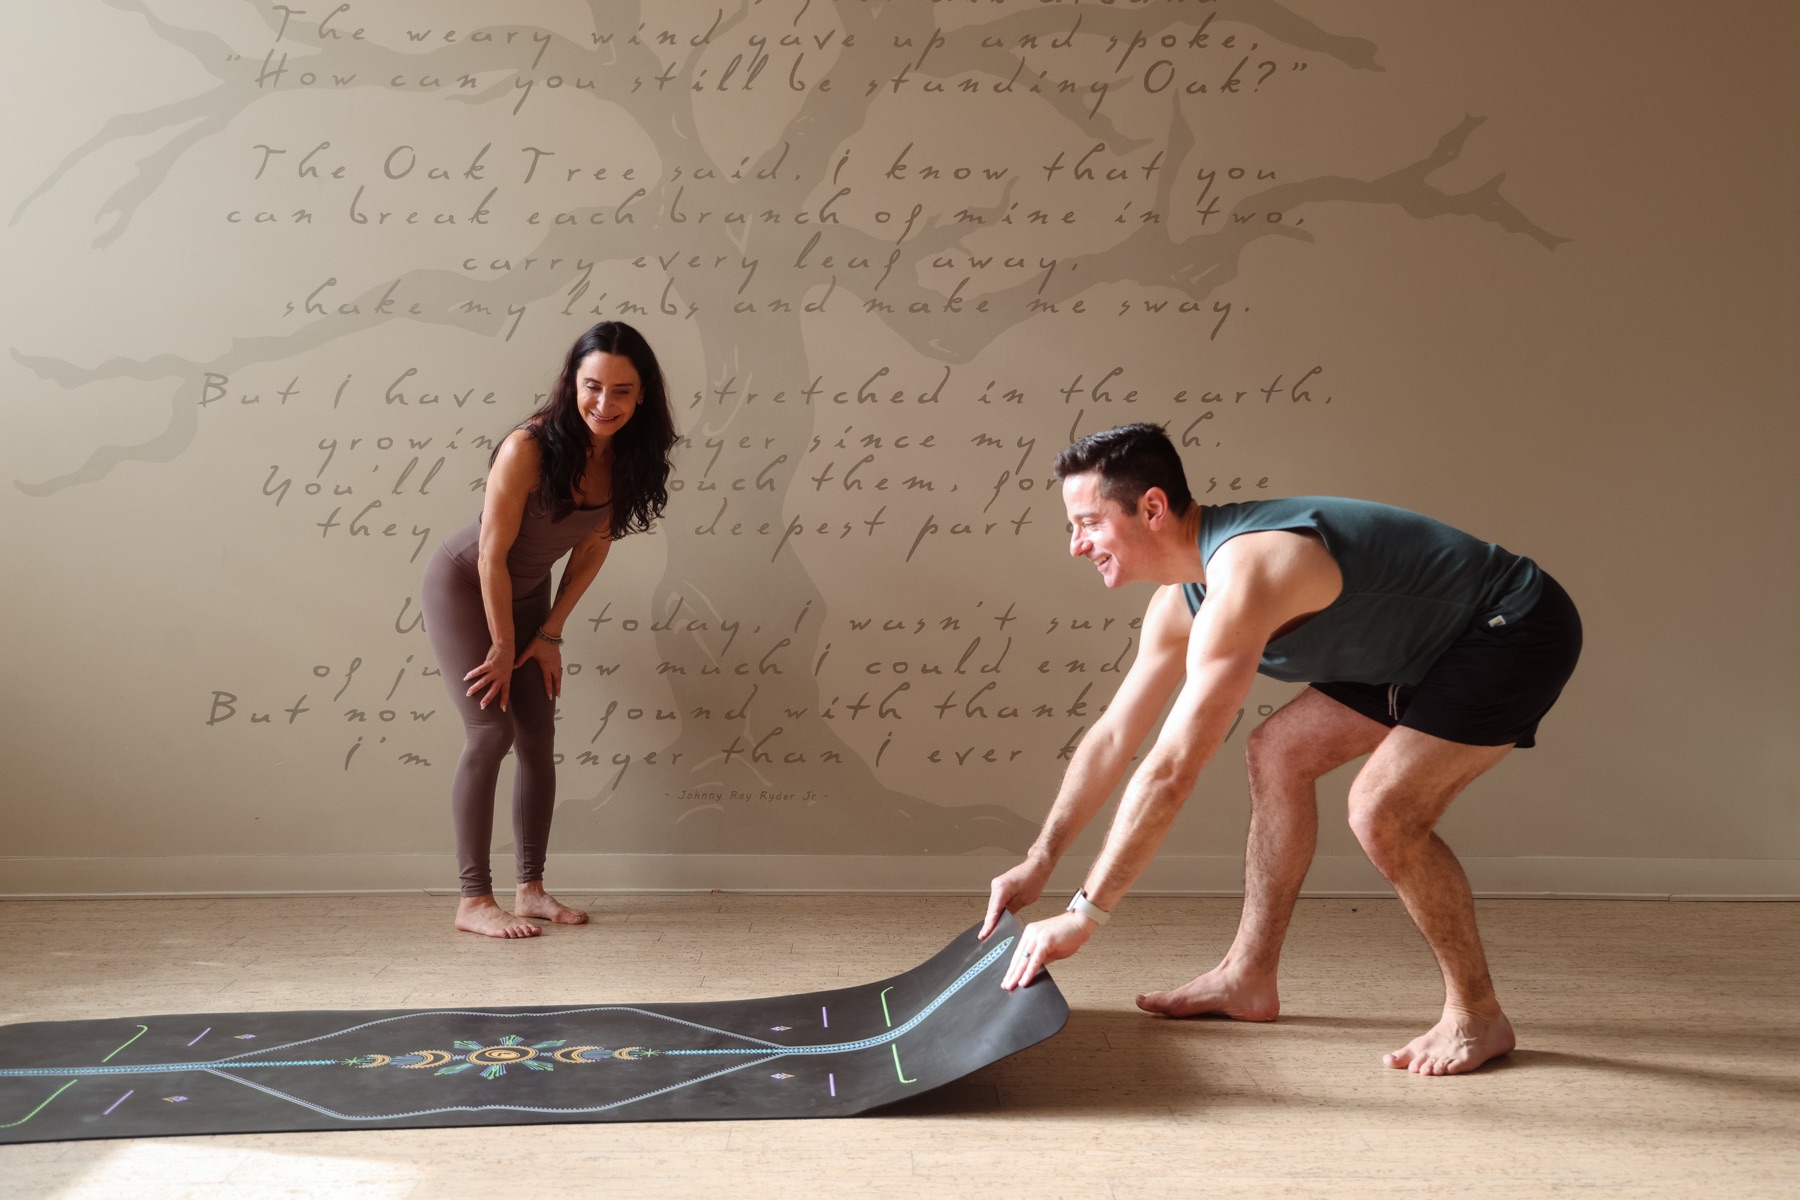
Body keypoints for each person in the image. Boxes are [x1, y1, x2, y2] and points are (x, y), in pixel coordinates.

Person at [980, 422, 1581, 1075]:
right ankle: (1247, 977)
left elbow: (1171, 770)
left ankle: (1477, 1016)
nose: (1076, 546)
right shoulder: (1181, 601)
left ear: (1151, 507)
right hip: (1414, 649)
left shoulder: (1247, 573)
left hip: (1507, 626)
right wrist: (1041, 860)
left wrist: (1083, 917)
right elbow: (1114, 736)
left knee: (1382, 814)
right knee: (1278, 753)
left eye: (1088, 523)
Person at [420, 322, 675, 938]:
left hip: (529, 594)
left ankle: (529, 889)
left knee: (537, 734)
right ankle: (473, 900)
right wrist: (504, 645)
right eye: (592, 386)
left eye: (621, 390)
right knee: (491, 731)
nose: (604, 404)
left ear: (642, 396)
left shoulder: (629, 457)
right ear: (572, 383)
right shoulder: (528, 448)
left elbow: (592, 546)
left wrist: (550, 632)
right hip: (466, 586)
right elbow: (489, 556)